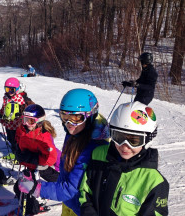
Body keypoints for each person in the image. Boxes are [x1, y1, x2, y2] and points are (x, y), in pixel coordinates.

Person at [17, 88, 110, 216]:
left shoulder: (94, 149)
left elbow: (70, 189)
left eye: (76, 117)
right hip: (68, 202)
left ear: (90, 116)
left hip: (81, 208)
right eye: (64, 116)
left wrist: (36, 188)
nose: (69, 123)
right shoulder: (74, 132)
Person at [79, 101, 169, 216]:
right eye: (119, 137)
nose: (125, 146)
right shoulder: (98, 156)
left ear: (148, 140)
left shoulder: (154, 182)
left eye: (134, 141)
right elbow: (85, 191)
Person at [12, 104, 60, 215]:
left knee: (28, 187)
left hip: (40, 165)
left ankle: (32, 210)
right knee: (19, 188)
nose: (26, 124)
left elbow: (51, 159)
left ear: (39, 122)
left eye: (31, 121)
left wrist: (31, 158)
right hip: (30, 165)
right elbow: (18, 140)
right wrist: (18, 151)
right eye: (25, 120)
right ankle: (28, 202)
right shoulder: (22, 129)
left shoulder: (44, 137)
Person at [0, 77, 25, 153]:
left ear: (17, 89)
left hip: (16, 125)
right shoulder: (5, 97)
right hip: (8, 124)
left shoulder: (19, 99)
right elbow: (4, 107)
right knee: (10, 139)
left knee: (16, 141)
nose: (10, 92)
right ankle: (13, 151)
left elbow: (23, 111)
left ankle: (17, 155)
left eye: (12, 89)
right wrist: (0, 114)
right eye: (8, 89)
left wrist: (20, 116)